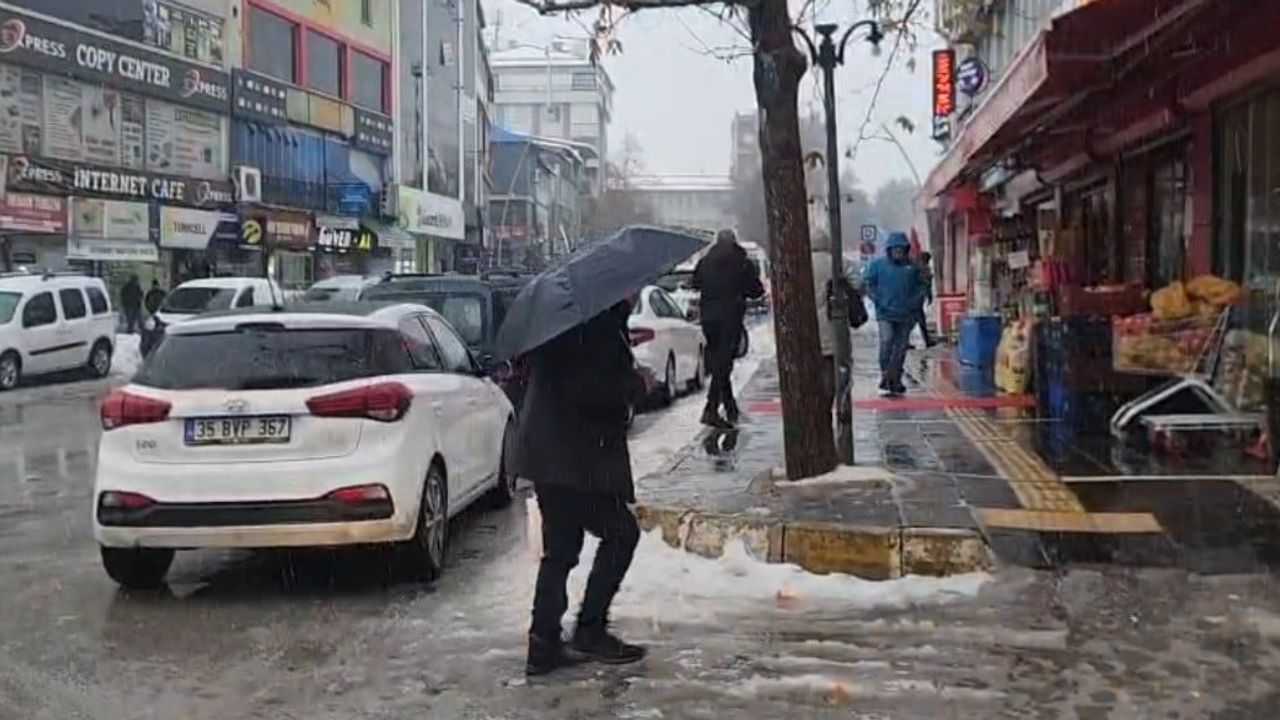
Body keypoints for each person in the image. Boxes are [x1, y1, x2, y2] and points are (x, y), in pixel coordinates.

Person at [516, 300, 646, 677]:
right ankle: (588, 630)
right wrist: (635, 384)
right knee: (621, 533)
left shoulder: (563, 321)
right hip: (575, 458)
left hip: (551, 454)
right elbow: (591, 392)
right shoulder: (595, 327)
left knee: (560, 550)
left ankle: (543, 645)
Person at [693, 228, 765, 429]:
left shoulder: (705, 261)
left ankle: (730, 407)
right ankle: (711, 408)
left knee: (719, 362)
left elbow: (695, 282)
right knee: (723, 364)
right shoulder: (741, 262)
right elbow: (755, 290)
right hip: (730, 317)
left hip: (709, 318)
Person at [864, 232, 926, 397]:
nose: (898, 252)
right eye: (894, 249)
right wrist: (877, 300)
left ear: (905, 250)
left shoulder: (912, 267)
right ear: (889, 250)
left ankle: (895, 378)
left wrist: (915, 301)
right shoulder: (878, 266)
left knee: (900, 347)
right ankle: (886, 373)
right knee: (887, 341)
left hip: (905, 314)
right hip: (885, 313)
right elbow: (868, 284)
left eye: (901, 249)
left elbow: (923, 286)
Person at [810, 232, 836, 409]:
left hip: (808, 323)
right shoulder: (834, 262)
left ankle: (814, 401)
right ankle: (828, 401)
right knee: (830, 363)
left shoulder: (801, 262)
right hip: (831, 319)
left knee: (812, 362)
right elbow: (856, 281)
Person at [913, 251, 937, 348]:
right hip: (916, 299)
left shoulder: (918, 268)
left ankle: (927, 340)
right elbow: (926, 285)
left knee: (917, 320)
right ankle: (927, 340)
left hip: (917, 298)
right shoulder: (920, 269)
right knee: (919, 320)